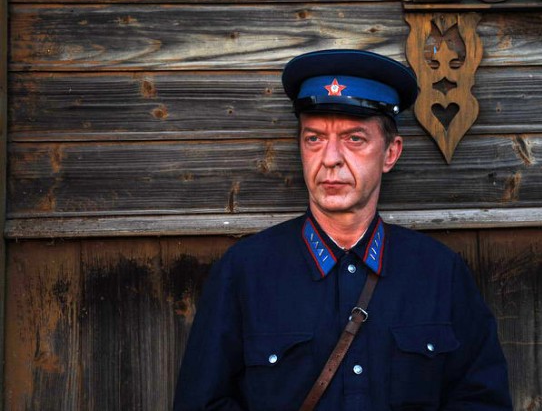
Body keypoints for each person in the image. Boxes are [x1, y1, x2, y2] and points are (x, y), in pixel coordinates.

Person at [174, 49, 512, 410]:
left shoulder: (439, 273)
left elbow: (481, 400)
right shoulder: (245, 272)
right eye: (314, 138)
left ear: (390, 153)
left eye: (354, 139)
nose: (330, 158)